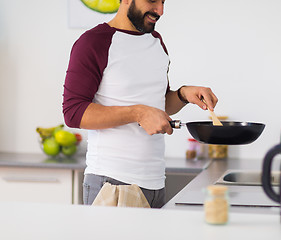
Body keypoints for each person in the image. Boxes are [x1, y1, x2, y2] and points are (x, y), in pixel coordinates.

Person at [62, 0, 218, 208]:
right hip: (112, 185)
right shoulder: (93, 42)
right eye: (152, 0)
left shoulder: (156, 42)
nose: (160, 10)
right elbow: (73, 112)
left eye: (163, 2)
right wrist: (137, 113)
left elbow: (157, 105)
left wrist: (182, 95)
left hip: (155, 184)